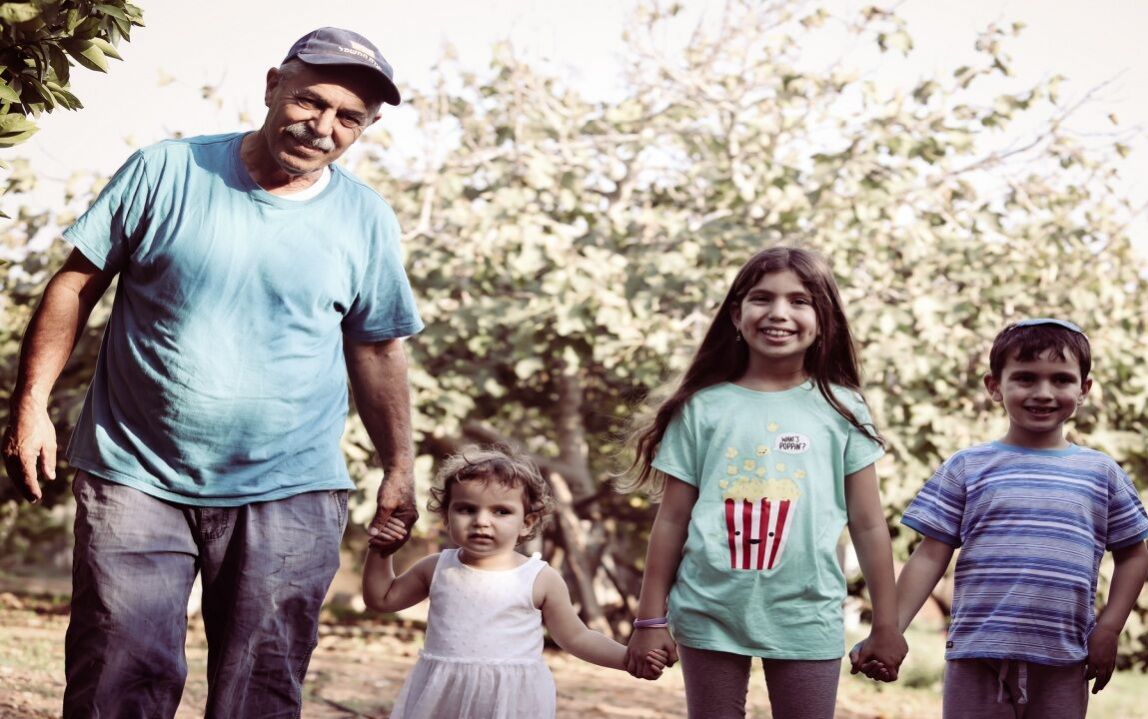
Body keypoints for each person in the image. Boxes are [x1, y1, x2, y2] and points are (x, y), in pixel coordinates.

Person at [0, 27, 424, 718]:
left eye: (349, 118)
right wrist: (32, 404)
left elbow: (376, 348)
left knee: (261, 691)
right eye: (310, 102)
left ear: (366, 127)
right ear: (273, 86)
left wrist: (399, 465)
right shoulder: (167, 170)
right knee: (116, 680)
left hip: (290, 488)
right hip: (137, 472)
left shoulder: (365, 218)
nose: (323, 128)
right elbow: (75, 284)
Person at [618, 246, 908, 718]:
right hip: (709, 609)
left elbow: (870, 524)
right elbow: (671, 520)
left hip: (807, 613)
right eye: (762, 298)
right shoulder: (701, 408)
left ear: (824, 320)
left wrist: (887, 625)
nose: (779, 312)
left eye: (799, 301)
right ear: (737, 314)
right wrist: (649, 619)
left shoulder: (843, 409)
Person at [852, 319, 1148, 719]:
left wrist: (1109, 629)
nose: (1043, 392)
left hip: (1064, 658)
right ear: (994, 386)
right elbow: (929, 556)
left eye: (1061, 380)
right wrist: (890, 630)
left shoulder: (1102, 474)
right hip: (977, 655)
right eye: (1025, 378)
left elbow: (1134, 557)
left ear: (1084, 389)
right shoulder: (967, 467)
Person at [363, 446, 670, 718]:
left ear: (527, 522)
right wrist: (381, 551)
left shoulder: (539, 579)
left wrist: (628, 659)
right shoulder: (437, 568)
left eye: (501, 511)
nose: (482, 521)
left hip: (510, 700)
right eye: (467, 509)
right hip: (443, 695)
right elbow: (382, 599)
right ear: (446, 515)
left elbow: (576, 637)